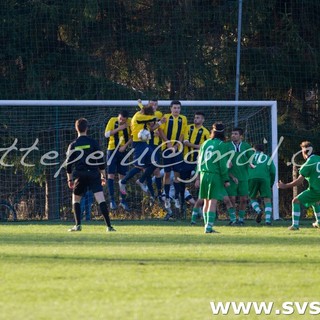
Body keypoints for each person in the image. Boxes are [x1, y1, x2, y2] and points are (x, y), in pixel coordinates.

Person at [66, 118, 115, 232]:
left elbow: (68, 164)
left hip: (80, 175)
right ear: (87, 128)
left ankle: (78, 225)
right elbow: (100, 160)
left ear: (76, 129)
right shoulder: (93, 142)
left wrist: (70, 180)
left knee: (76, 199)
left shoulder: (73, 145)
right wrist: (103, 175)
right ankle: (109, 226)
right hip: (93, 174)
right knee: (100, 199)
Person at [119, 103, 166, 199]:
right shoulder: (139, 117)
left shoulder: (142, 114)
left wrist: (140, 103)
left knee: (155, 163)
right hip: (138, 144)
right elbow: (152, 118)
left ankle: (141, 180)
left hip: (145, 143)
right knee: (138, 166)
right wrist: (159, 120)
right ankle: (123, 181)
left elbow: (151, 126)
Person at [197, 122, 235, 233]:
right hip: (215, 175)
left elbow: (199, 160)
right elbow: (222, 164)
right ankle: (208, 228)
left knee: (206, 201)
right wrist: (226, 179)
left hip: (204, 173)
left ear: (212, 131)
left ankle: (206, 226)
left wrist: (198, 177)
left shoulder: (205, 143)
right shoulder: (222, 145)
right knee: (213, 202)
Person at [277, 141, 320, 230]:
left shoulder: (308, 163)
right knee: (315, 202)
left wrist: (285, 185)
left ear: (304, 152)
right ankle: (319, 222)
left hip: (316, 190)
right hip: (315, 189)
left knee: (295, 201)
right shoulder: (318, 158)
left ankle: (295, 225)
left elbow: (299, 181)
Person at [158, 100, 188, 212]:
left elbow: (182, 134)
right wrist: (168, 143)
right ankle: (166, 196)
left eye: (178, 108)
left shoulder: (183, 119)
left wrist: (176, 145)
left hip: (177, 150)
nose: (176, 110)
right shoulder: (166, 117)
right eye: (174, 108)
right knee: (166, 173)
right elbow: (160, 130)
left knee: (177, 173)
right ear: (170, 109)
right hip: (166, 149)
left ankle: (176, 197)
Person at [180, 111, 210, 222]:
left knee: (200, 186)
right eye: (195, 117)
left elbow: (205, 147)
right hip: (186, 161)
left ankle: (202, 211)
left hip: (198, 162)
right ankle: (182, 209)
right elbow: (185, 142)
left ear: (203, 120)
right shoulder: (188, 128)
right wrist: (197, 146)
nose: (195, 119)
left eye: (198, 118)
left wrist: (194, 146)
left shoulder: (206, 132)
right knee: (181, 183)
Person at [225, 127, 254, 225]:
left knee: (244, 199)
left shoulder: (246, 146)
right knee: (231, 199)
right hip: (231, 177)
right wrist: (227, 163)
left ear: (241, 136)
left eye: (236, 134)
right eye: (232, 134)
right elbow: (222, 161)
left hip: (244, 177)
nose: (233, 135)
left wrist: (251, 163)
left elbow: (252, 158)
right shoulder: (227, 146)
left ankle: (241, 219)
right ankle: (233, 219)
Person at [104, 110, 132, 211]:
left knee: (122, 177)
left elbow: (133, 136)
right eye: (120, 119)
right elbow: (106, 134)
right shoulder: (112, 120)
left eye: (123, 120)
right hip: (111, 150)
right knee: (110, 175)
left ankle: (123, 200)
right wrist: (119, 128)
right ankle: (112, 200)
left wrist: (125, 146)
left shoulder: (130, 122)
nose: (121, 121)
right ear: (118, 116)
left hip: (123, 151)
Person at [248, 144, 276, 225]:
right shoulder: (267, 158)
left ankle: (259, 211)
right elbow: (273, 171)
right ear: (263, 150)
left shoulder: (250, 157)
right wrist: (271, 183)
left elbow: (246, 168)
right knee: (267, 199)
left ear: (254, 149)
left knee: (252, 197)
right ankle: (267, 220)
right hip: (265, 179)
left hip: (252, 178)